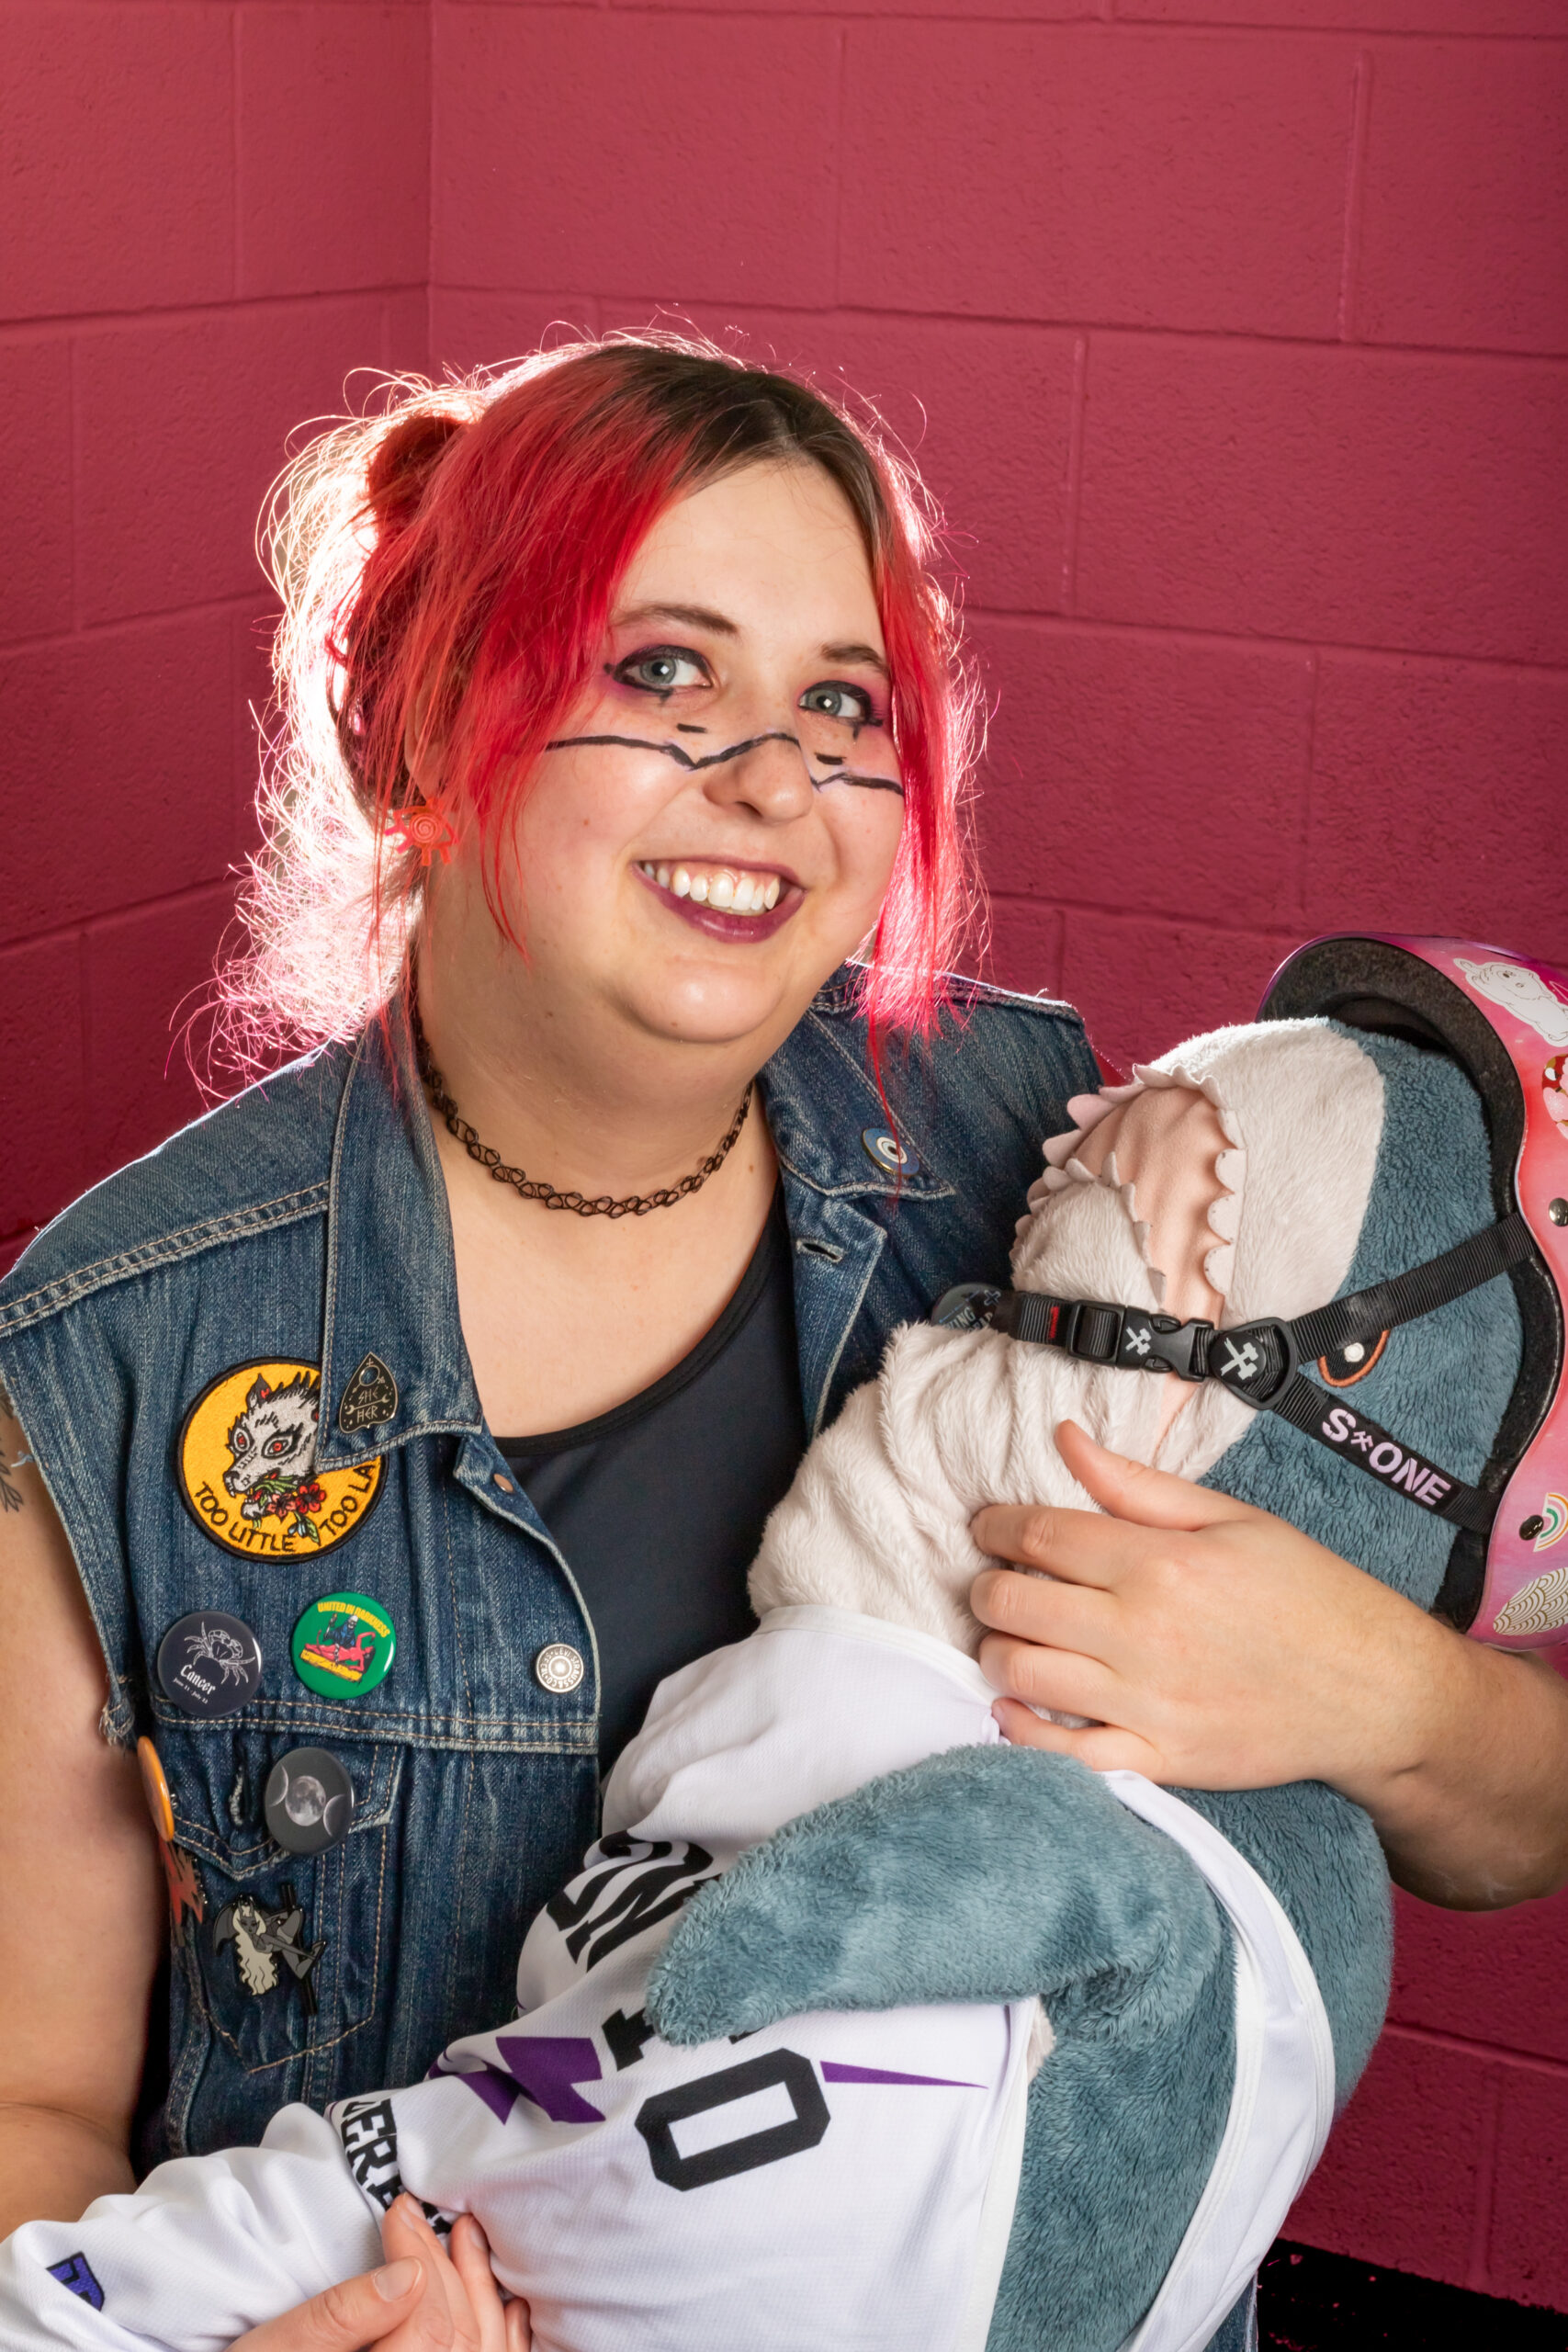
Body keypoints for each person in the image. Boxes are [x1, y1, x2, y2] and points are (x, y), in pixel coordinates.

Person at [2, 337, 1565, 2352]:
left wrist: (1378, 1689)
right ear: (417, 736)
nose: (773, 780)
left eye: (840, 701)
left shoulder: (1034, 1152)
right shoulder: (117, 1358)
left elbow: (1517, 1824)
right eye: (661, 671)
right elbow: (33, 2104)